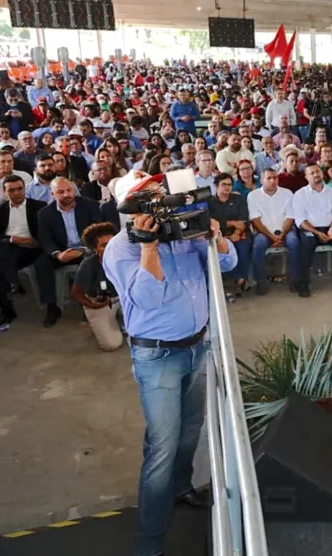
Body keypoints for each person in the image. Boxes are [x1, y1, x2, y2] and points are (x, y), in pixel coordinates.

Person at [104, 171, 237, 556]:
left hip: (197, 345)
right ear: (132, 208)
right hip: (157, 356)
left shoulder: (183, 234)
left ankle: (182, 488)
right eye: (150, 196)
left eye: (161, 193)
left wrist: (215, 235)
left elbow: (226, 265)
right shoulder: (120, 248)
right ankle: (149, 544)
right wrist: (148, 246)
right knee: (162, 445)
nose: (161, 201)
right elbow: (148, 298)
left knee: (191, 428)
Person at [36, 177, 103, 327]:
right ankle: (52, 307)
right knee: (42, 263)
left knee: (93, 259)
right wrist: (57, 254)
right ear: (52, 194)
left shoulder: (90, 206)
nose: (66, 194)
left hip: (85, 249)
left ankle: (90, 303)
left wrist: (82, 250)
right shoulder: (45, 213)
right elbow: (45, 239)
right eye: (60, 192)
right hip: (62, 251)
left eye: (69, 190)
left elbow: (98, 233)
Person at [288, 164, 332, 296]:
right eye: (312, 173)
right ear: (306, 177)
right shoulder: (300, 194)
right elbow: (300, 220)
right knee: (305, 244)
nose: (316, 175)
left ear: (322, 174)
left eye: (318, 172)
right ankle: (303, 282)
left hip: (331, 227)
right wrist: (317, 232)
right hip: (310, 229)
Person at [0, 175, 45, 330]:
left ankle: (7, 309)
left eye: (20, 189)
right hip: (9, 246)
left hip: (31, 249)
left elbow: (46, 232)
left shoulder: (39, 206)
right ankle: (13, 283)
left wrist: (33, 241)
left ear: (24, 189)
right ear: (5, 192)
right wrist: (13, 239)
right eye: (12, 190)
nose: (17, 193)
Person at [246, 167, 301, 296]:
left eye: (275, 178)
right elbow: (255, 220)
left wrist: (281, 234)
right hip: (264, 232)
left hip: (285, 230)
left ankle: (295, 280)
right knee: (258, 245)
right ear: (262, 180)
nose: (272, 181)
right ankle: (261, 281)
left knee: (294, 242)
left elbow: (290, 217)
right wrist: (271, 236)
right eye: (269, 178)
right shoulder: (253, 196)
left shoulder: (287, 193)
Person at [71, 222, 123, 351]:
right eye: (104, 245)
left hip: (122, 298)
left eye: (113, 243)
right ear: (95, 249)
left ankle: (119, 320)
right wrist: (92, 305)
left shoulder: (124, 257)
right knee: (112, 344)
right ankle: (101, 321)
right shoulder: (89, 264)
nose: (110, 248)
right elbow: (76, 292)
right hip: (101, 302)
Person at [208, 174, 252, 295]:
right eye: (223, 184)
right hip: (219, 236)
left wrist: (237, 233)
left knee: (243, 246)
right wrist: (231, 223)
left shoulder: (238, 199)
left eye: (229, 185)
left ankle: (241, 279)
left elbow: (243, 220)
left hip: (239, 234)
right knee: (225, 248)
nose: (227, 187)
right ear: (216, 186)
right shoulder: (210, 203)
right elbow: (213, 223)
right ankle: (239, 279)